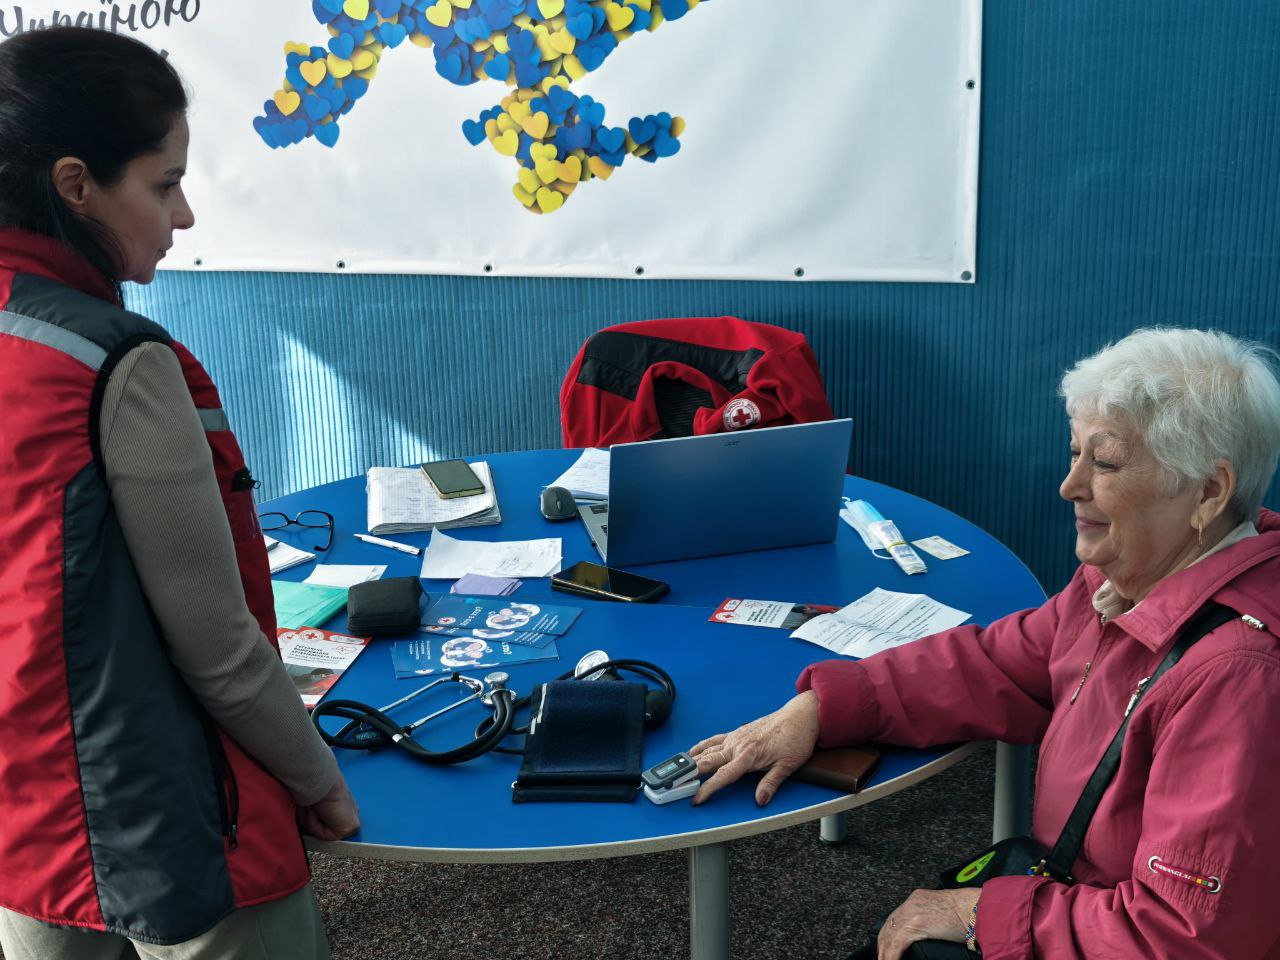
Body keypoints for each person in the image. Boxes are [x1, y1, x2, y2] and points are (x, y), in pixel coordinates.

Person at [688, 328, 1280, 959]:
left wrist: (981, 915)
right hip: (1076, 902)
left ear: (1209, 491)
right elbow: (997, 666)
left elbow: (1182, 938)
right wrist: (823, 707)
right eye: (1074, 452)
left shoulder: (1238, 676)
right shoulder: (1126, 580)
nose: (1070, 485)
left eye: (1104, 463)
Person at [0, 27, 358, 960]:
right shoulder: (112, 362)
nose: (185, 216)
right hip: (166, 814)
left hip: (20, 810)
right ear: (75, 185)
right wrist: (317, 777)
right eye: (164, 185)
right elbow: (218, 647)